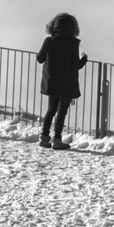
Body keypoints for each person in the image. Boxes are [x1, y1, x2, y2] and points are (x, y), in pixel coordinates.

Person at [38, 12, 90, 150]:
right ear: (73, 28)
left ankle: (44, 138)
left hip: (51, 81)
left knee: (51, 110)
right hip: (66, 83)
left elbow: (40, 58)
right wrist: (83, 60)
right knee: (61, 112)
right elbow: (75, 66)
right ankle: (57, 140)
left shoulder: (48, 41)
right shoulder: (73, 44)